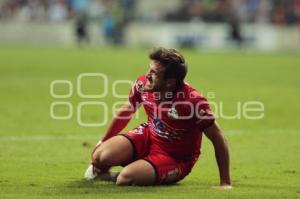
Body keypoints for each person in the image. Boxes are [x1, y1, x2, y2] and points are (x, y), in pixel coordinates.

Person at [84, 47, 232, 188]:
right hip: (149, 136)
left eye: (154, 73)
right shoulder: (143, 84)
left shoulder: (192, 101)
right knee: (100, 156)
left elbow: (219, 138)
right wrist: (102, 141)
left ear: (170, 82)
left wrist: (225, 182)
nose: (147, 75)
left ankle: (135, 171)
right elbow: (126, 110)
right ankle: (110, 172)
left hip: (174, 157)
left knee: (125, 178)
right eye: (149, 68)